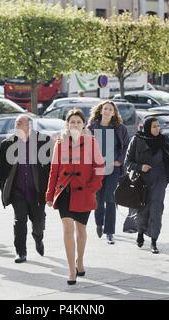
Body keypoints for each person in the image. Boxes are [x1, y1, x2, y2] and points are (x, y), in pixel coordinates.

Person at [46, 109, 104, 285]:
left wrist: (92, 188)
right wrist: (49, 194)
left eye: (78, 122)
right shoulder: (60, 143)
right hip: (64, 192)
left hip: (84, 193)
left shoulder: (91, 142)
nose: (75, 125)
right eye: (72, 122)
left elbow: (100, 168)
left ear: (83, 124)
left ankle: (80, 261)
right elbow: (54, 170)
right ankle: (71, 270)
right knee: (68, 229)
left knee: (81, 230)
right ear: (67, 124)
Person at [0, 115, 52, 263]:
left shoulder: (44, 141)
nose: (17, 126)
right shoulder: (7, 144)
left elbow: (51, 168)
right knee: (19, 221)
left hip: (37, 191)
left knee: (38, 222)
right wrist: (4, 189)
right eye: (16, 124)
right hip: (18, 192)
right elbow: (2, 171)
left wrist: (50, 190)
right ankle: (20, 252)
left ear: (29, 126)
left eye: (20, 124)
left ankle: (38, 238)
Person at [124, 117, 169, 254]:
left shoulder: (164, 140)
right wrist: (140, 167)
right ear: (147, 127)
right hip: (141, 181)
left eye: (158, 126)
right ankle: (140, 233)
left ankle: (153, 240)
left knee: (157, 209)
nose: (157, 129)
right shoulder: (137, 140)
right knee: (142, 210)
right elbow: (127, 162)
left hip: (160, 180)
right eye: (154, 126)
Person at [87, 101, 129, 244]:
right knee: (98, 199)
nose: (107, 111)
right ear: (100, 111)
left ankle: (110, 232)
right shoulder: (92, 127)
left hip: (113, 169)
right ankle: (99, 223)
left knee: (110, 199)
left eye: (110, 109)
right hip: (96, 169)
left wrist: (119, 160)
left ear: (114, 113)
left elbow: (126, 147)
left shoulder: (119, 128)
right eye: (105, 108)